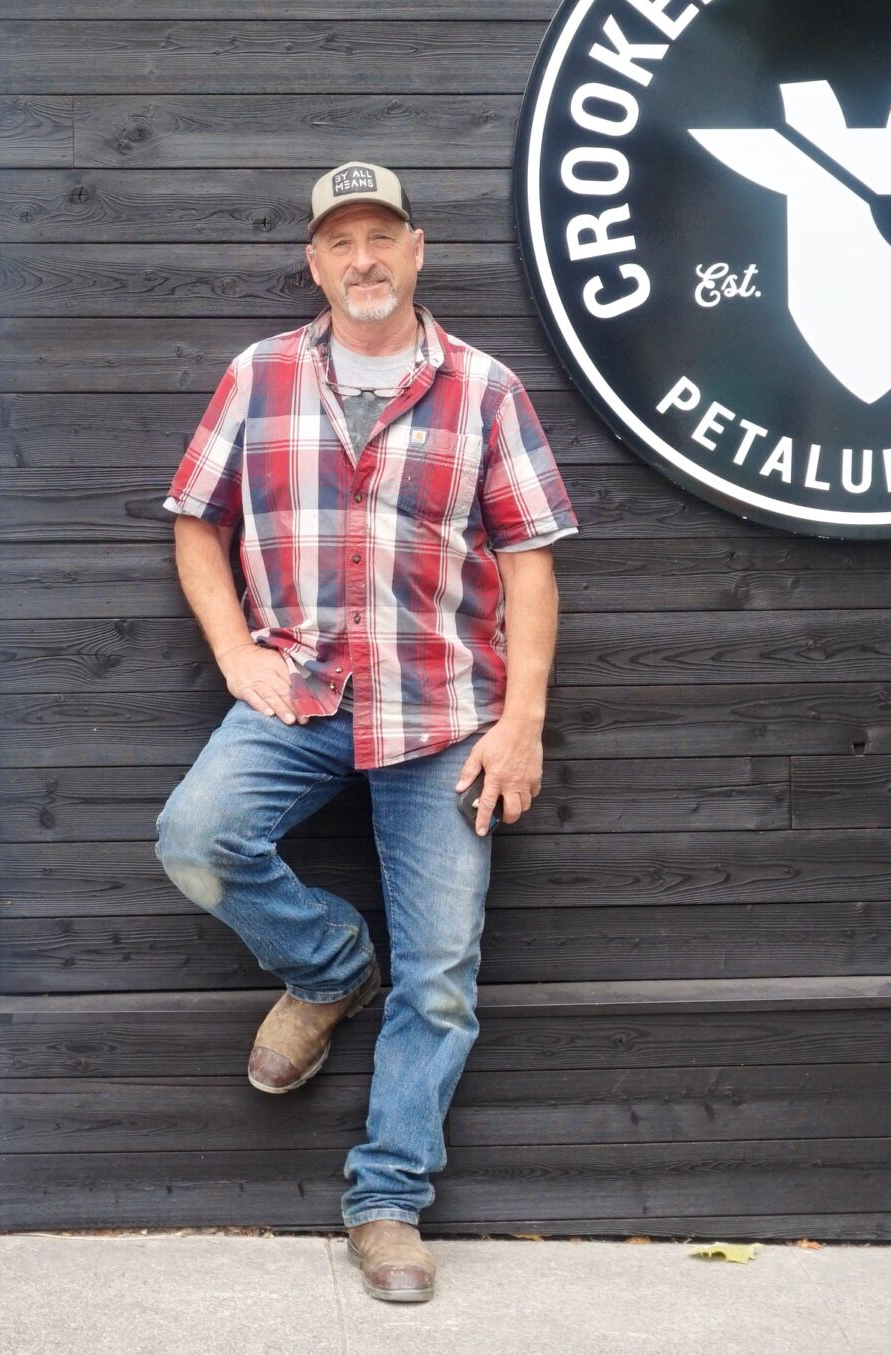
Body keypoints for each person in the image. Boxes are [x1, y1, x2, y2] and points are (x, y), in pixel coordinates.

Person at [154, 160, 578, 1304]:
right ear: (315, 262)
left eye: (381, 237)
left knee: (439, 978)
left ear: (416, 249)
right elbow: (197, 527)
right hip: (297, 694)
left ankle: (386, 1201)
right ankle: (329, 967)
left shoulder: (483, 389)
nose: (363, 260)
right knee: (196, 838)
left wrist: (522, 723)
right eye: (340, 242)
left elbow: (529, 565)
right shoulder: (259, 377)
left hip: (443, 712)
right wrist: (237, 653)